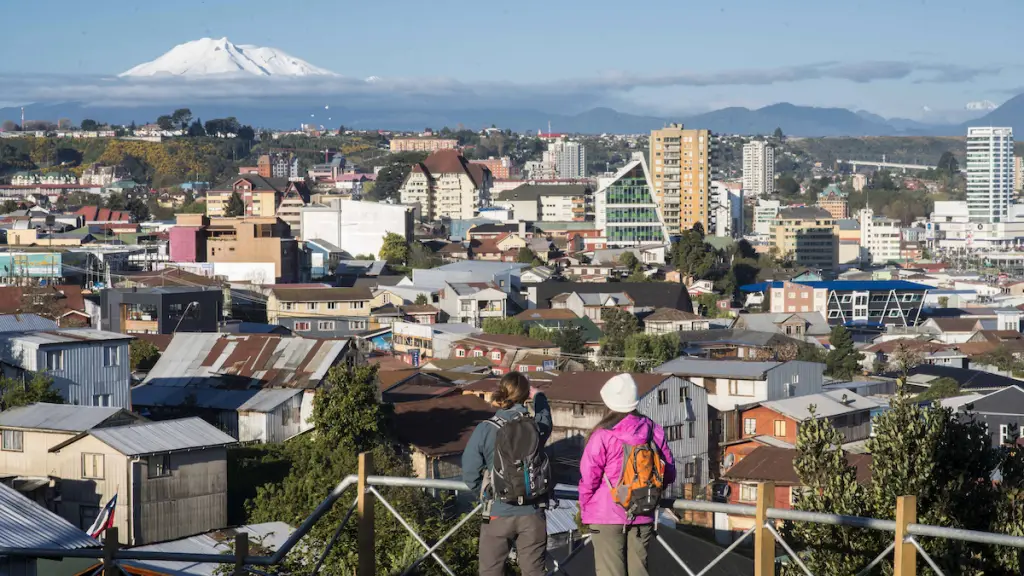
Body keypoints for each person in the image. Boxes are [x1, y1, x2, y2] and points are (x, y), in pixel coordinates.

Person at [579, 373, 676, 576]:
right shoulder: (652, 430)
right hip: (643, 510)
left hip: (606, 514)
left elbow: (589, 478)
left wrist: (586, 507)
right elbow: (668, 472)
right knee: (639, 572)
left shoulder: (602, 435)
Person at [462, 371, 552, 576]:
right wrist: (539, 398)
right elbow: (546, 420)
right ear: (525, 395)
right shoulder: (536, 428)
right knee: (534, 572)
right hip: (532, 512)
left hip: (498, 512)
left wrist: (488, 494)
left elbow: (469, 472)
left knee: (491, 571)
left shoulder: (485, 429)